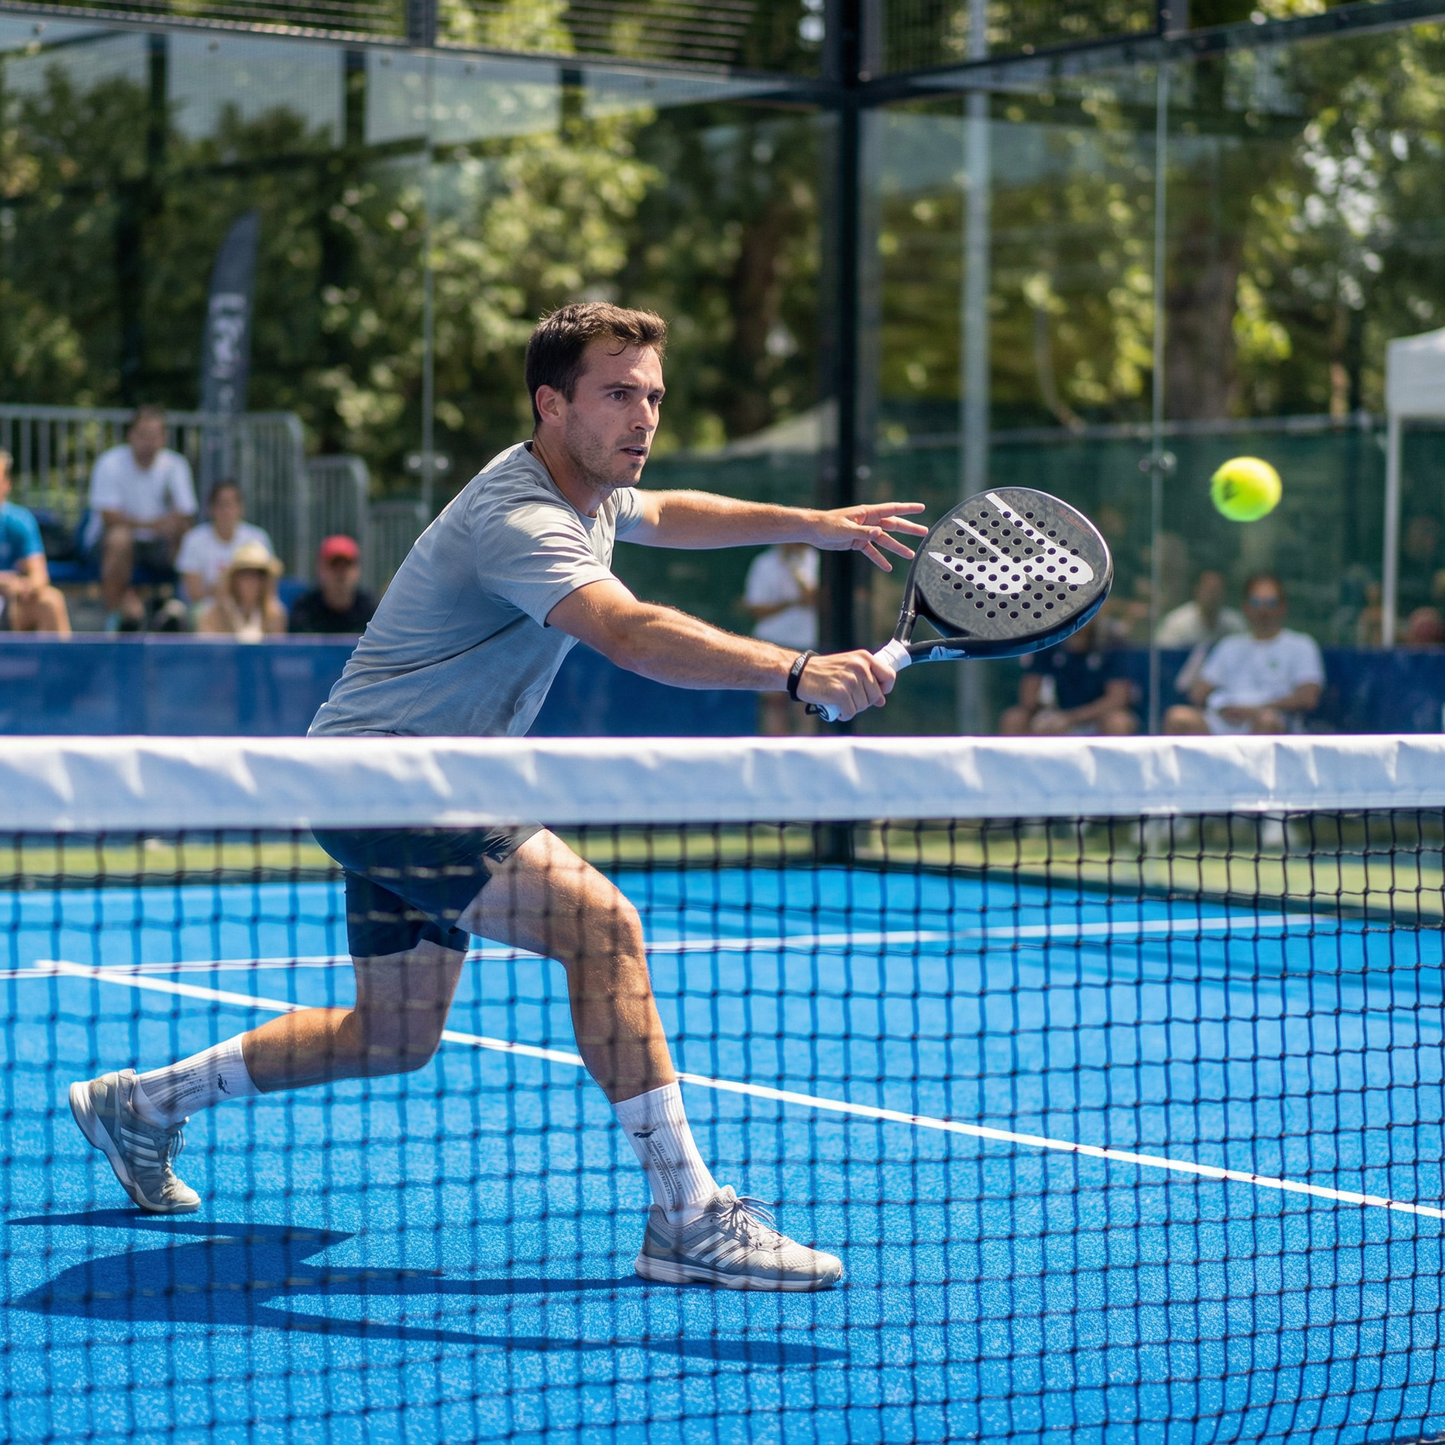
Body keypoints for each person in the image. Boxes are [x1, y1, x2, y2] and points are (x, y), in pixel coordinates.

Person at [69, 302, 927, 1292]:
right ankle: (687, 1216)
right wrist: (796, 670)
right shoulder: (519, 515)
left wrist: (809, 524)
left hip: (382, 782)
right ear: (549, 403)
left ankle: (144, 1103)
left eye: (651, 393)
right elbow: (630, 631)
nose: (642, 414)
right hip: (393, 781)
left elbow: (672, 512)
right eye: (617, 393)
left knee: (391, 1034)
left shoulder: (596, 485)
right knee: (602, 926)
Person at [1164, 572, 1323, 735]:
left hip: (1270, 718)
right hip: (1223, 722)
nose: (1263, 610)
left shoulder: (1301, 644)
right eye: (1256, 602)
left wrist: (1257, 709)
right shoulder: (1229, 645)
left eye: (1270, 602)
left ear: (1283, 606)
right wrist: (1220, 705)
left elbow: (1308, 697)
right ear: (1245, 607)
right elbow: (1198, 694)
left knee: (1267, 721)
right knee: (1178, 717)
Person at [87, 406, 197, 628]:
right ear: (131, 436)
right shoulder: (110, 463)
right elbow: (110, 518)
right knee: (120, 538)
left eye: (154, 435)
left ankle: (182, 609)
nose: (149, 442)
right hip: (106, 545)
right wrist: (154, 524)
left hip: (158, 546)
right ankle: (116, 615)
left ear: (163, 438)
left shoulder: (176, 465)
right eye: (143, 435)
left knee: (187, 534)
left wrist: (173, 524)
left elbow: (185, 514)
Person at [998, 617, 1138, 736]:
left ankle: (1112, 768)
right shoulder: (1047, 638)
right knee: (1014, 718)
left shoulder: (1111, 640)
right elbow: (1028, 696)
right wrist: (1048, 716)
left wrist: (1070, 718)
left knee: (1118, 722)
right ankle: (1014, 768)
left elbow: (1117, 698)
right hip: (1053, 715)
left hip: (1095, 718)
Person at [742, 541, 819, 734]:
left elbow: (820, 599)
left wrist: (801, 582)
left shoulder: (816, 561)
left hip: (806, 644)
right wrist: (792, 602)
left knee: (806, 705)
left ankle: (806, 760)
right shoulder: (763, 563)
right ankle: (772, 760)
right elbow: (756, 609)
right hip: (771, 642)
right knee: (773, 704)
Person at [0, 448, 70, 635]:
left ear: (7, 484)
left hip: (11, 604)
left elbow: (39, 574)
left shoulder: (19, 520)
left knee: (51, 601)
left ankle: (62, 663)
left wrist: (24, 587)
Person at [177, 481, 275, 607]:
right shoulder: (193, 539)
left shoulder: (258, 538)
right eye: (220, 505)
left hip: (249, 608)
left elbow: (269, 586)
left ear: (241, 508)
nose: (225, 510)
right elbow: (194, 594)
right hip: (209, 608)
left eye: (230, 504)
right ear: (210, 509)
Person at [1157, 569, 1248, 695]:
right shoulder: (1177, 624)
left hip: (1227, 692)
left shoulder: (1235, 625)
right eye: (1209, 590)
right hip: (1181, 690)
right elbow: (1163, 665)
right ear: (1197, 591)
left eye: (1217, 590)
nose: (1213, 595)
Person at [286, 535, 377, 634]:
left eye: (347, 565)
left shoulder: (371, 611)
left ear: (357, 570)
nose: (341, 574)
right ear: (320, 569)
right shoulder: (304, 611)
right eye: (334, 565)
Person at [197, 541, 287, 641]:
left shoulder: (274, 615)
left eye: (259, 574)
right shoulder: (214, 614)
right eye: (245, 573)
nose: (252, 581)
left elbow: (276, 651)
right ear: (233, 579)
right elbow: (210, 652)